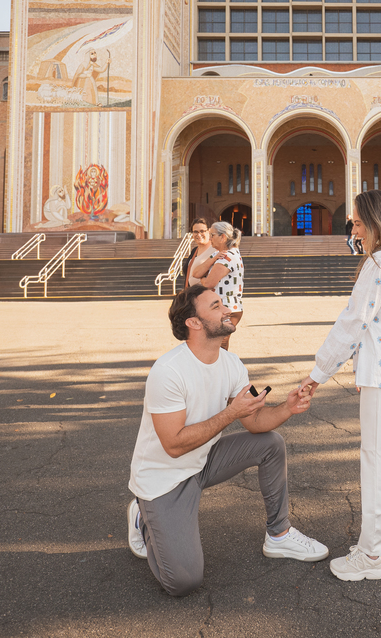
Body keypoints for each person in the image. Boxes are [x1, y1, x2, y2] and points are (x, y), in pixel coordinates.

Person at [127, 285, 328, 596]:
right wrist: (230, 413)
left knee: (270, 444)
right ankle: (143, 517)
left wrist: (288, 407)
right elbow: (173, 445)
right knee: (183, 582)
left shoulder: (231, 364)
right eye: (216, 305)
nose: (228, 310)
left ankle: (279, 534)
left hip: (203, 461)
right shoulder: (168, 371)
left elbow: (255, 422)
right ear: (193, 323)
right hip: (164, 478)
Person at [299, 189, 381, 581]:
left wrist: (318, 373)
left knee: (376, 460)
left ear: (375, 223)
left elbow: (354, 322)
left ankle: (371, 555)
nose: (353, 229)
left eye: (357, 222)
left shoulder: (380, 262)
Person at [198, 221, 244, 351]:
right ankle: (218, 369)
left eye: (212, 235)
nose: (209, 238)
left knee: (218, 345)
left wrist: (203, 278)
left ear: (223, 237)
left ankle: (220, 369)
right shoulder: (222, 253)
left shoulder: (227, 257)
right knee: (217, 344)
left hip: (226, 307)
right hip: (225, 306)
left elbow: (208, 283)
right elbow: (195, 272)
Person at [183, 218, 217, 288]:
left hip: (205, 294)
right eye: (195, 232)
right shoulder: (194, 251)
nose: (198, 235)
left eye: (202, 231)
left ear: (209, 231)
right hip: (192, 294)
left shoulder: (215, 249)